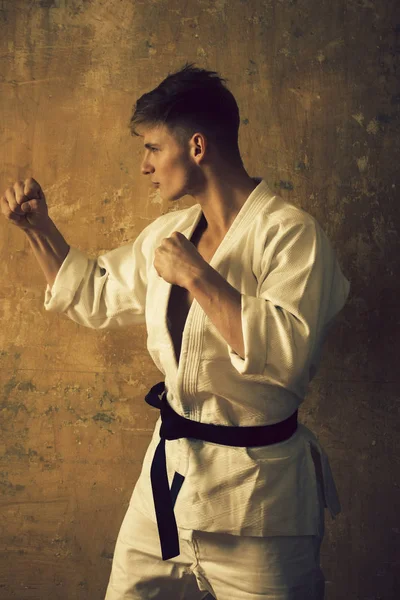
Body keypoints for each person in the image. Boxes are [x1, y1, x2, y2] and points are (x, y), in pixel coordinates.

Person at [1, 63, 350, 600]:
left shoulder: (291, 236)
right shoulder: (171, 233)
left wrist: (198, 276)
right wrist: (38, 230)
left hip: (260, 508)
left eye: (152, 148)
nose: (145, 166)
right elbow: (96, 292)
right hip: (169, 482)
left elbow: (289, 354)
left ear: (196, 146)